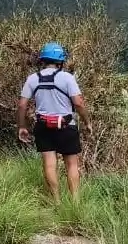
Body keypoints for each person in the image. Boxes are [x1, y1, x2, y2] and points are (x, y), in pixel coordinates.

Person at [17, 42, 92, 202]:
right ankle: (75, 202)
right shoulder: (67, 78)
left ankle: (56, 202)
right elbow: (78, 103)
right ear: (61, 61)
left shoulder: (32, 79)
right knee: (71, 164)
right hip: (66, 126)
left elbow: (22, 104)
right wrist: (87, 122)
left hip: (43, 127)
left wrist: (22, 126)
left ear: (43, 60)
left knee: (49, 164)